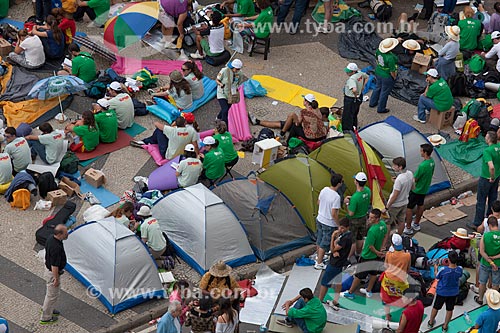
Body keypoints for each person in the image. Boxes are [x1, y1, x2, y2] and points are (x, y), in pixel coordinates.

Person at [342, 209, 388, 300]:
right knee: (373, 274)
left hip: (367, 255)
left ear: (377, 218)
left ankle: (350, 292)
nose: (369, 219)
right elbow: (385, 235)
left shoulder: (372, 231)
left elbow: (370, 246)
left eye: (372, 218)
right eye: (369, 217)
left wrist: (377, 252)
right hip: (377, 255)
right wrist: (382, 248)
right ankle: (369, 290)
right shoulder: (383, 225)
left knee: (359, 276)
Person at [250, 94, 327, 144]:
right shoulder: (317, 109)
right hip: (319, 134)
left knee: (292, 125)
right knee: (288, 121)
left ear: (306, 102)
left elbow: (298, 124)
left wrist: (294, 119)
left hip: (310, 136)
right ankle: (281, 133)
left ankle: (286, 141)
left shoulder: (304, 112)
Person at [319, 217, 351, 311]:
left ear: (347, 227)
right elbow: (336, 246)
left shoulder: (345, 238)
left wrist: (333, 237)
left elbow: (333, 249)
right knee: (338, 282)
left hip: (335, 263)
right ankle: (336, 301)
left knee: (325, 282)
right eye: (339, 227)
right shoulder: (346, 235)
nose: (340, 230)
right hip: (341, 261)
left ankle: (319, 300)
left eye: (342, 228)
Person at [469, 131, 500, 231]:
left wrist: (491, 176)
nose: (485, 138)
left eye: (486, 137)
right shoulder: (498, 147)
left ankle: (477, 223)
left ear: (489, 139)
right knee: (492, 198)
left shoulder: (487, 151)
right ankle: (490, 219)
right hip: (497, 177)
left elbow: (491, 166)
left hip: (487, 178)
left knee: (481, 200)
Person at [131, 116, 199, 160]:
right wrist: (197, 156)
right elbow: (195, 145)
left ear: (176, 123)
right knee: (165, 133)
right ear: (185, 123)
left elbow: (156, 124)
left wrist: (172, 125)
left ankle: (145, 141)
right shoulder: (191, 130)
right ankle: (148, 141)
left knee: (159, 131)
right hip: (184, 153)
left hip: (169, 155)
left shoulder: (172, 130)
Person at [427, 251, 462, 332]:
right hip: (453, 293)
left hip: (442, 292)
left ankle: (431, 322)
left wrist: (436, 268)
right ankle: (445, 327)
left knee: (436, 307)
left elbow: (437, 276)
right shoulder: (459, 269)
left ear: (448, 260)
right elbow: (459, 275)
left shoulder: (443, 270)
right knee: (449, 309)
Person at [404, 144, 435, 234]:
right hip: (424, 189)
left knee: (409, 208)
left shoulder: (422, 166)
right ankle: (416, 223)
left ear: (425, 152)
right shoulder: (432, 162)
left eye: (421, 151)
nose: (420, 152)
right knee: (420, 205)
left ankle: (408, 227)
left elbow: (415, 179)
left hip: (416, 190)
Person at [40, 225, 68, 324]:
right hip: (52, 273)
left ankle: (48, 308)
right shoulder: (56, 247)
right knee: (52, 295)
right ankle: (46, 317)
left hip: (49, 270)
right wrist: (56, 279)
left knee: (51, 294)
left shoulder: (51, 238)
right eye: (65, 232)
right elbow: (54, 266)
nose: (67, 233)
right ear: (60, 234)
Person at [314, 173, 343, 270]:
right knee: (325, 242)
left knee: (319, 238)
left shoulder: (324, 189)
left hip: (320, 218)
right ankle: (319, 263)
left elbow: (318, 202)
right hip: (328, 222)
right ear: (339, 184)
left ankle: (318, 256)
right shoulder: (336, 197)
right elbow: (334, 213)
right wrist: (338, 224)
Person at [380, 233, 411, 321]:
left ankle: (387, 317)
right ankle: (403, 317)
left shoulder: (389, 254)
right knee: (403, 300)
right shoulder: (407, 255)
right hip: (401, 281)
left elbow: (385, 266)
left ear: (392, 244)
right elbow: (408, 269)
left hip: (388, 280)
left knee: (386, 299)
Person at [344, 172, 372, 257]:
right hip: (363, 217)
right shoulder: (367, 190)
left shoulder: (355, 197)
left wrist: (347, 204)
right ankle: (358, 253)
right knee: (360, 237)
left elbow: (351, 213)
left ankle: (349, 257)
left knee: (353, 239)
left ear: (356, 182)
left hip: (354, 220)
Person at [383, 157, 413, 235]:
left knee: (388, 223)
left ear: (400, 167)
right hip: (405, 202)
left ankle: (385, 243)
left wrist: (387, 207)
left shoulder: (399, 179)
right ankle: (399, 236)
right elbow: (413, 187)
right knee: (401, 221)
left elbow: (395, 195)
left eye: (394, 165)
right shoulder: (410, 173)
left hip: (395, 205)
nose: (393, 167)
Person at [369, 38, 398, 114]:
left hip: (378, 72)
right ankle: (381, 108)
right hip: (386, 76)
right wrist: (394, 77)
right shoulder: (390, 58)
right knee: (384, 92)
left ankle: (372, 102)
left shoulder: (378, 51)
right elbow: (392, 71)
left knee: (377, 87)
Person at [477, 216, 500, 305]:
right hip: (498, 264)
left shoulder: (485, 236)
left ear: (489, 225)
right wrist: (494, 258)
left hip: (485, 263)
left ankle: (480, 299)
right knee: (495, 284)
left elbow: (482, 251)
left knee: (482, 282)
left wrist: (490, 260)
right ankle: (493, 301)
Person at [216, 59, 243, 125]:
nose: (237, 71)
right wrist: (221, 84)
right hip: (222, 93)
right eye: (236, 69)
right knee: (225, 109)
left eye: (238, 69)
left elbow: (239, 83)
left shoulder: (240, 73)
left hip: (231, 94)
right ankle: (225, 126)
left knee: (226, 108)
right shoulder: (224, 70)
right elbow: (217, 80)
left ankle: (218, 117)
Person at [342, 62, 368, 132]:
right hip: (359, 97)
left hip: (350, 99)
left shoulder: (352, 79)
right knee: (354, 113)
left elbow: (354, 89)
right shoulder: (360, 73)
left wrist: (355, 95)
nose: (347, 73)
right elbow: (366, 77)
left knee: (347, 116)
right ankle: (354, 126)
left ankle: (347, 131)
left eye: (349, 72)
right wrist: (363, 86)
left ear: (353, 72)